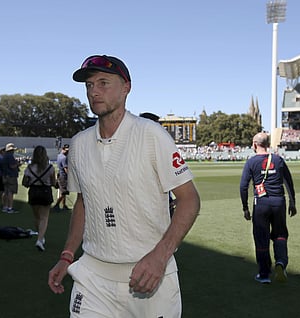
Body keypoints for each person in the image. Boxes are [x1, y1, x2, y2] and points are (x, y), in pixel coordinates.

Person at [48, 55, 201, 317]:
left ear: (126, 87)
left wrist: (160, 256)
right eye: (89, 85)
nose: (94, 91)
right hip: (93, 278)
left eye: (103, 83)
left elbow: (189, 199)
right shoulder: (79, 144)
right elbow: (85, 202)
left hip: (150, 278)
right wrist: (67, 254)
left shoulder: (151, 135)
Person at [239, 132, 297, 284]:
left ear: (254, 144)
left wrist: (245, 207)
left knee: (261, 238)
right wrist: (292, 202)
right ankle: (281, 263)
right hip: (279, 202)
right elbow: (288, 182)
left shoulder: (251, 162)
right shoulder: (278, 159)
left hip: (261, 204)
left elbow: (243, 186)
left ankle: (264, 274)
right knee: (280, 234)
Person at [23, 145, 56, 251]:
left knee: (37, 217)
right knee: (44, 217)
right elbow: (53, 182)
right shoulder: (50, 168)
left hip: (33, 192)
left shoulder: (29, 168)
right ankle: (40, 239)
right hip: (45, 192)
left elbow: (24, 182)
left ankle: (40, 237)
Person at [2, 143, 20, 213]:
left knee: (6, 192)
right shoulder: (10, 156)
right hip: (11, 176)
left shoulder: (5, 156)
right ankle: (10, 207)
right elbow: (12, 166)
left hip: (5, 176)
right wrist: (17, 164)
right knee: (10, 192)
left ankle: (5, 207)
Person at [52, 144, 70, 211]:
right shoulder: (64, 158)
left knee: (63, 192)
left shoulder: (59, 156)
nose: (68, 152)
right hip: (63, 176)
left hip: (60, 175)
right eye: (67, 150)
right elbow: (66, 169)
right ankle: (56, 205)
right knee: (64, 192)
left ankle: (64, 205)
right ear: (63, 149)